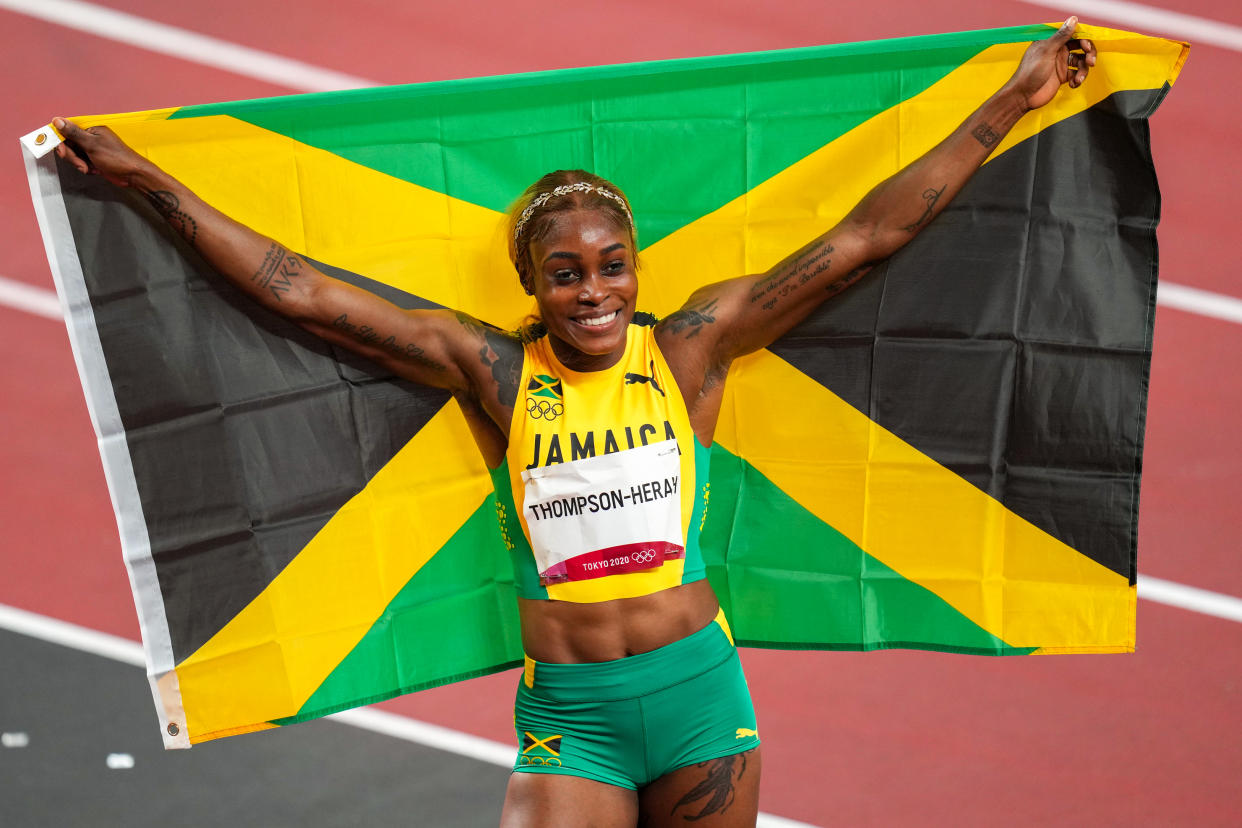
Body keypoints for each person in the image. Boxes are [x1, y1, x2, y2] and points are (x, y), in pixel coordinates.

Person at [53, 18, 1094, 827]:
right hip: (573, 722)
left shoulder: (688, 350)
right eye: (566, 274)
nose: (593, 290)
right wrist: (144, 176)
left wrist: (1014, 98)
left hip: (699, 696)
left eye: (611, 267)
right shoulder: (494, 371)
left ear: (636, 270)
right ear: (534, 286)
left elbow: (868, 235)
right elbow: (301, 293)